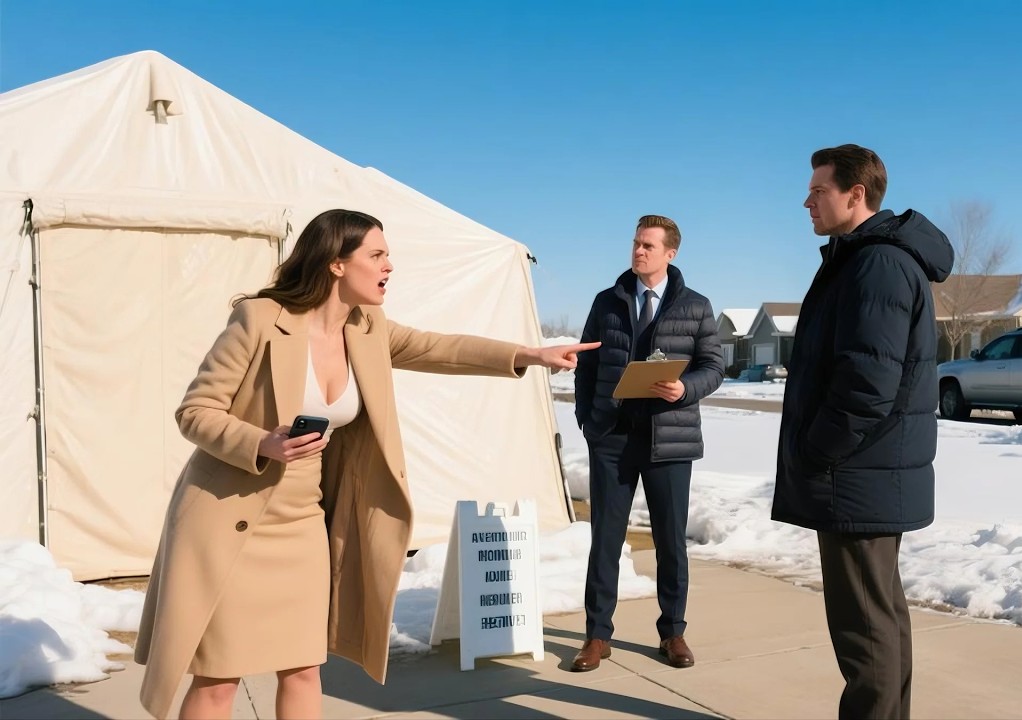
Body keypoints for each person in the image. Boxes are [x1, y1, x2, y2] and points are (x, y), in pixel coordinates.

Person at [133, 209, 598, 720]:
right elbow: (195, 411)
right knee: (219, 677)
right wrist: (262, 442)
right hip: (231, 520)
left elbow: (439, 347)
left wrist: (530, 354)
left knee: (303, 668)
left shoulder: (367, 327)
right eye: (376, 255)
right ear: (336, 263)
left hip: (303, 524)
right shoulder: (260, 319)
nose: (388, 266)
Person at [771, 145, 954, 719]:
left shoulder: (876, 265)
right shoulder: (862, 259)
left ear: (856, 194)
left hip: (856, 474)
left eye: (818, 191)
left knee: (866, 635)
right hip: (866, 473)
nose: (806, 202)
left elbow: (867, 385)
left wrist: (815, 451)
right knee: (880, 622)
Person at [571, 214, 724, 672]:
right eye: (636, 243)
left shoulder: (696, 307)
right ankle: (597, 636)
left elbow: (714, 366)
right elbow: (586, 366)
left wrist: (685, 389)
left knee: (670, 542)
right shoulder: (607, 302)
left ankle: (672, 633)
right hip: (612, 438)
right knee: (605, 540)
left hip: (669, 440)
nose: (638, 251)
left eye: (648, 246)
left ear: (670, 254)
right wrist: (587, 421)